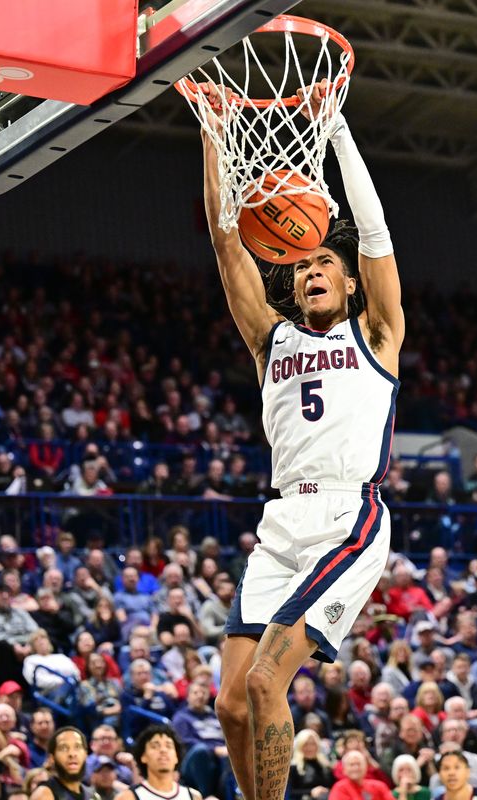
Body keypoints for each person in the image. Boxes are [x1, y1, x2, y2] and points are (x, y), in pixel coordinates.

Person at [203, 81, 405, 800]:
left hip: (348, 518)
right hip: (282, 520)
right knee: (230, 702)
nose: (309, 270)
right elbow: (227, 239)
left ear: (348, 283)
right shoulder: (271, 338)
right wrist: (214, 133)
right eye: (301, 263)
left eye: (324, 263)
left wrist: (339, 135)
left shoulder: (376, 332)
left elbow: (375, 236)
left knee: (266, 680)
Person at [132, 725, 201, 800]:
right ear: (143, 756)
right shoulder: (128, 797)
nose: (163, 750)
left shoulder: (194, 796)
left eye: (168, 746)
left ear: (176, 757)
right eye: (155, 746)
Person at [30, 728, 89, 800]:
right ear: (52, 758)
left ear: (86, 754)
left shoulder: (92, 795)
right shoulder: (44, 795)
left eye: (77, 747)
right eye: (63, 748)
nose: (72, 754)